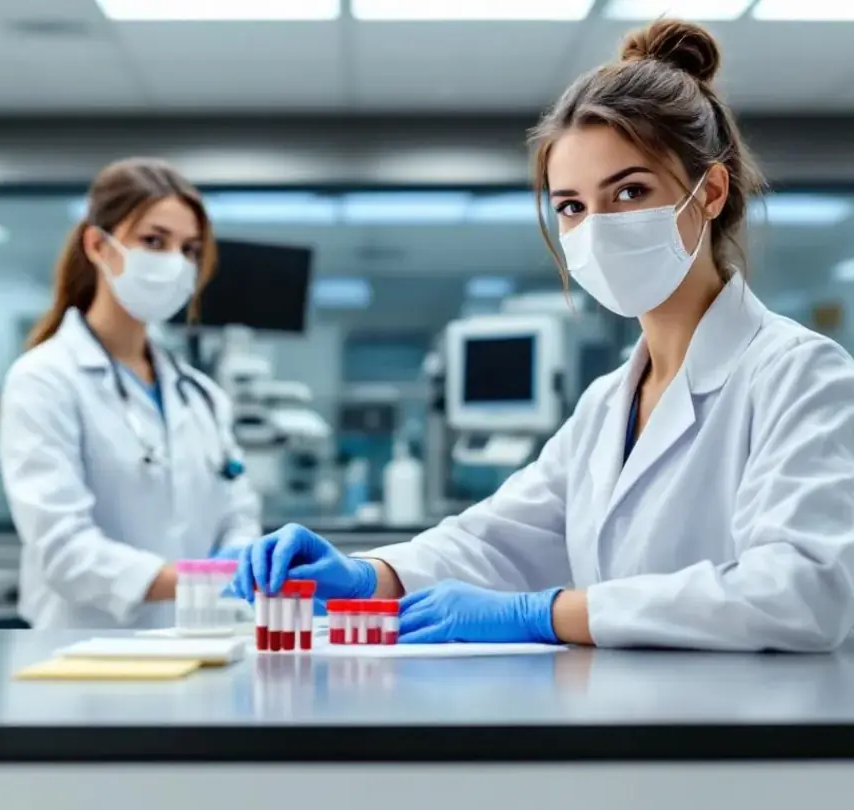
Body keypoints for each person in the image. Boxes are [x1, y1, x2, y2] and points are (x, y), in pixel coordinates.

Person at [234, 19, 854, 652]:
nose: (596, 227)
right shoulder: (607, 403)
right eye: (571, 206)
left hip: (755, 736)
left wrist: (545, 613)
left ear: (711, 191)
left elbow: (804, 591)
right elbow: (497, 540)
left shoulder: (799, 374)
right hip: (620, 719)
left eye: (630, 191)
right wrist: (370, 574)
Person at [0, 158, 261, 630]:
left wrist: (241, 556)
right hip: (83, 659)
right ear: (98, 245)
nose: (175, 263)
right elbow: (65, 550)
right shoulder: (45, 379)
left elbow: (237, 512)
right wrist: (204, 579)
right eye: (154, 242)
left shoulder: (200, 395)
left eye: (190, 250)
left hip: (196, 645)